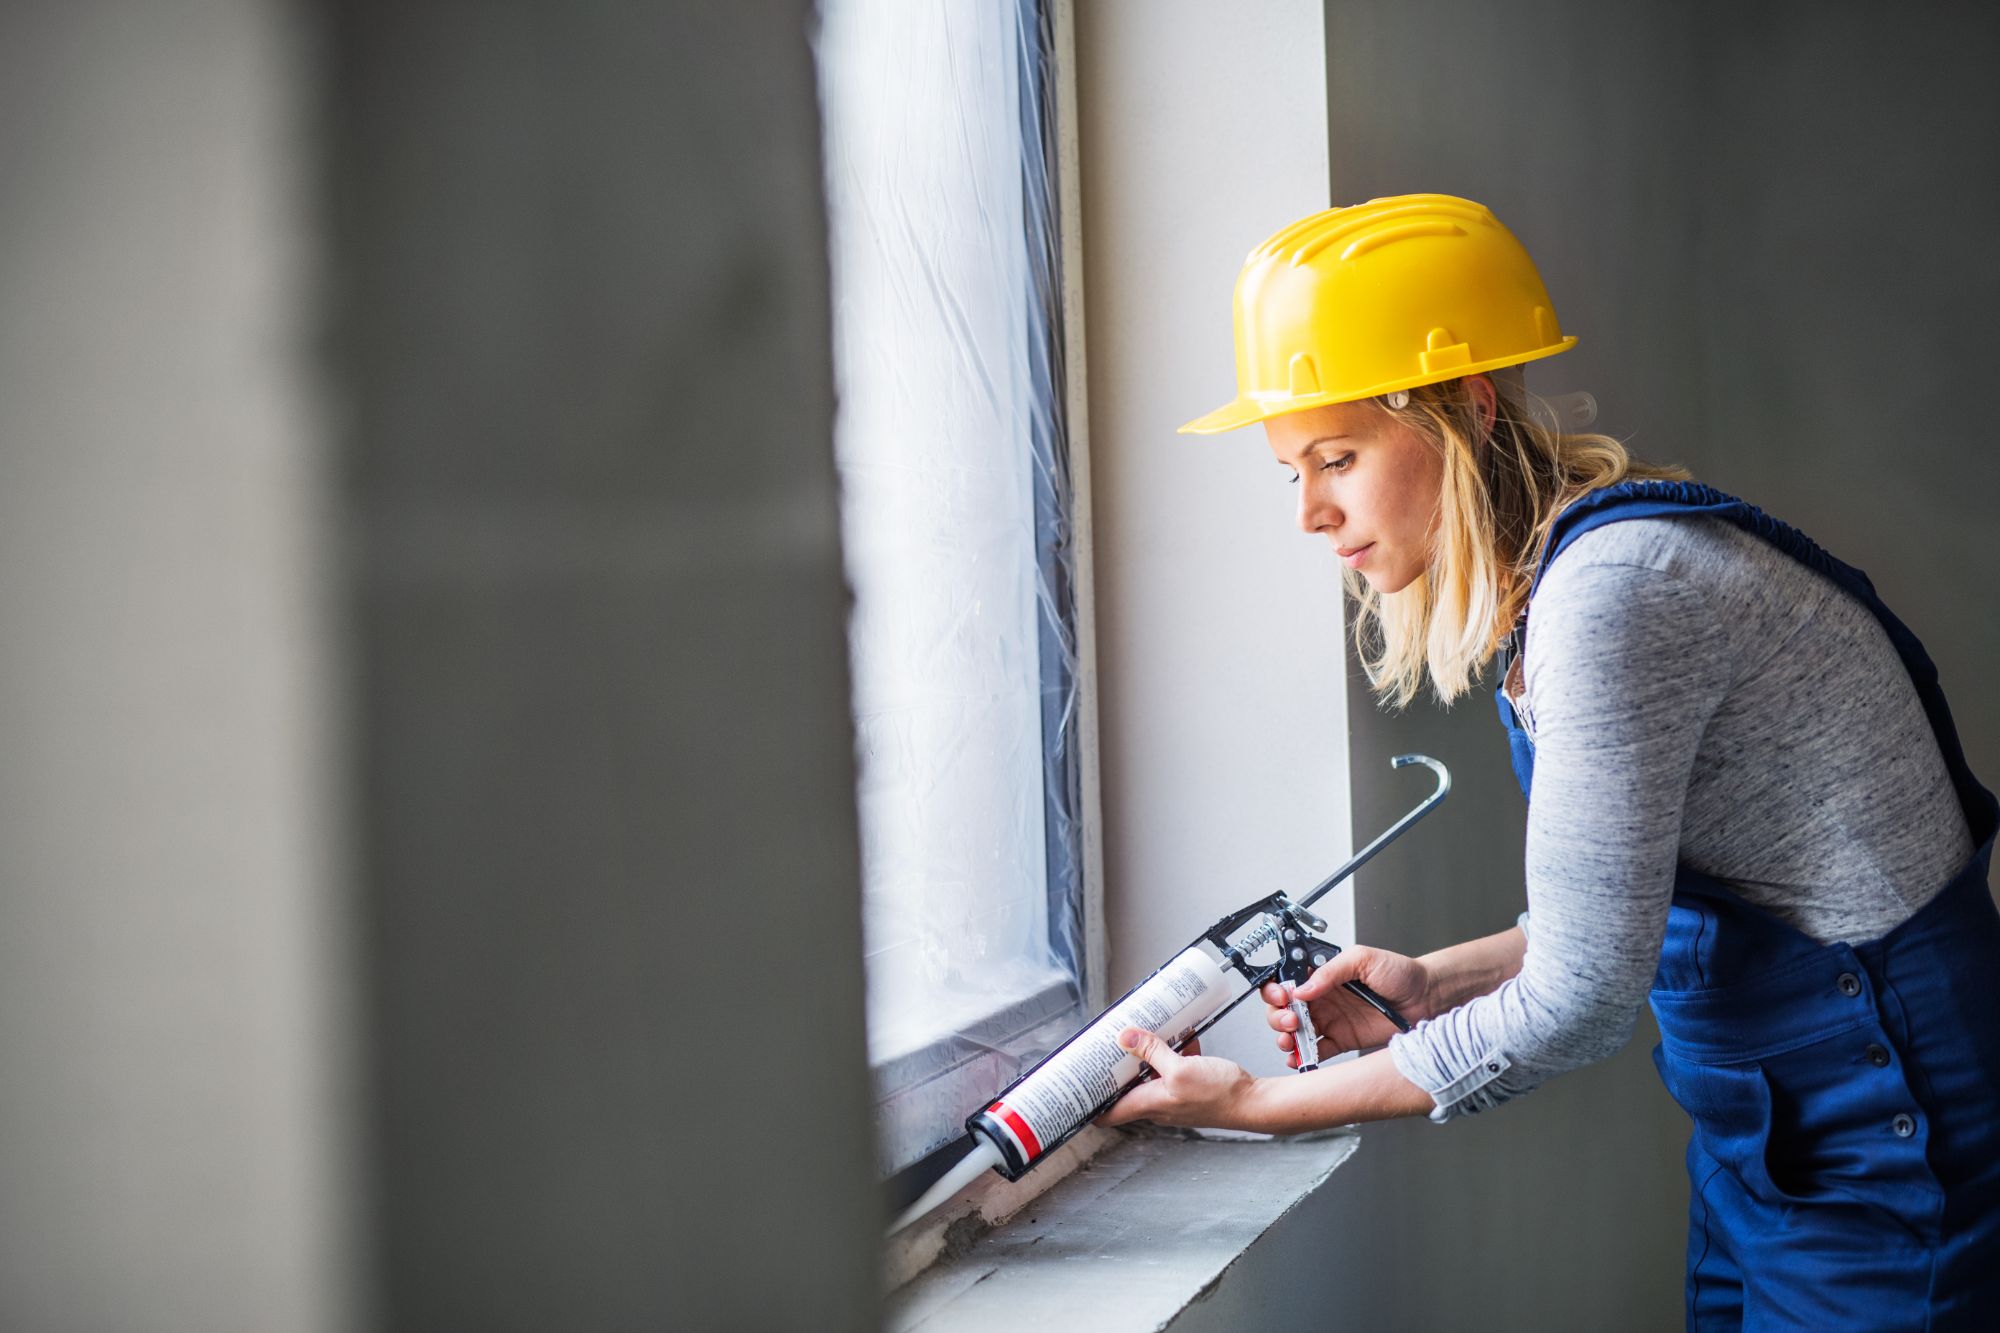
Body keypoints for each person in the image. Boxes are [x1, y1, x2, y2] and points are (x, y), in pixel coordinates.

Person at [1096, 194, 2000, 1328]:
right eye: (1292, 471)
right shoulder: (1570, 581)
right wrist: (1434, 982)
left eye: (1336, 456)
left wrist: (1262, 1101)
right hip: (1770, 1135)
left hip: (1883, 1128)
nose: (1311, 515)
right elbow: (1633, 908)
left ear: (1466, 409)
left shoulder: (1612, 597)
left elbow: (1578, 1003)